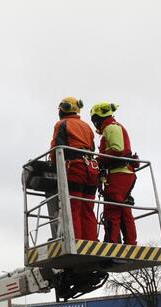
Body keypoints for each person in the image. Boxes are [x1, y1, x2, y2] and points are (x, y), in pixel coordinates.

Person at [50, 96, 99, 241]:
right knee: (88, 208)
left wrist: (54, 164)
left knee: (73, 207)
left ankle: (75, 241)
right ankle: (91, 241)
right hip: (91, 168)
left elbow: (56, 148)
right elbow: (92, 147)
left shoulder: (62, 124)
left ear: (63, 109)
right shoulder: (87, 127)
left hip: (75, 167)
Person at [90, 102, 137, 245]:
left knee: (112, 210)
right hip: (124, 173)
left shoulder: (111, 128)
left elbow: (117, 149)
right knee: (123, 210)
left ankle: (111, 243)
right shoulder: (114, 127)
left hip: (119, 174)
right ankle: (130, 242)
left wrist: (98, 160)